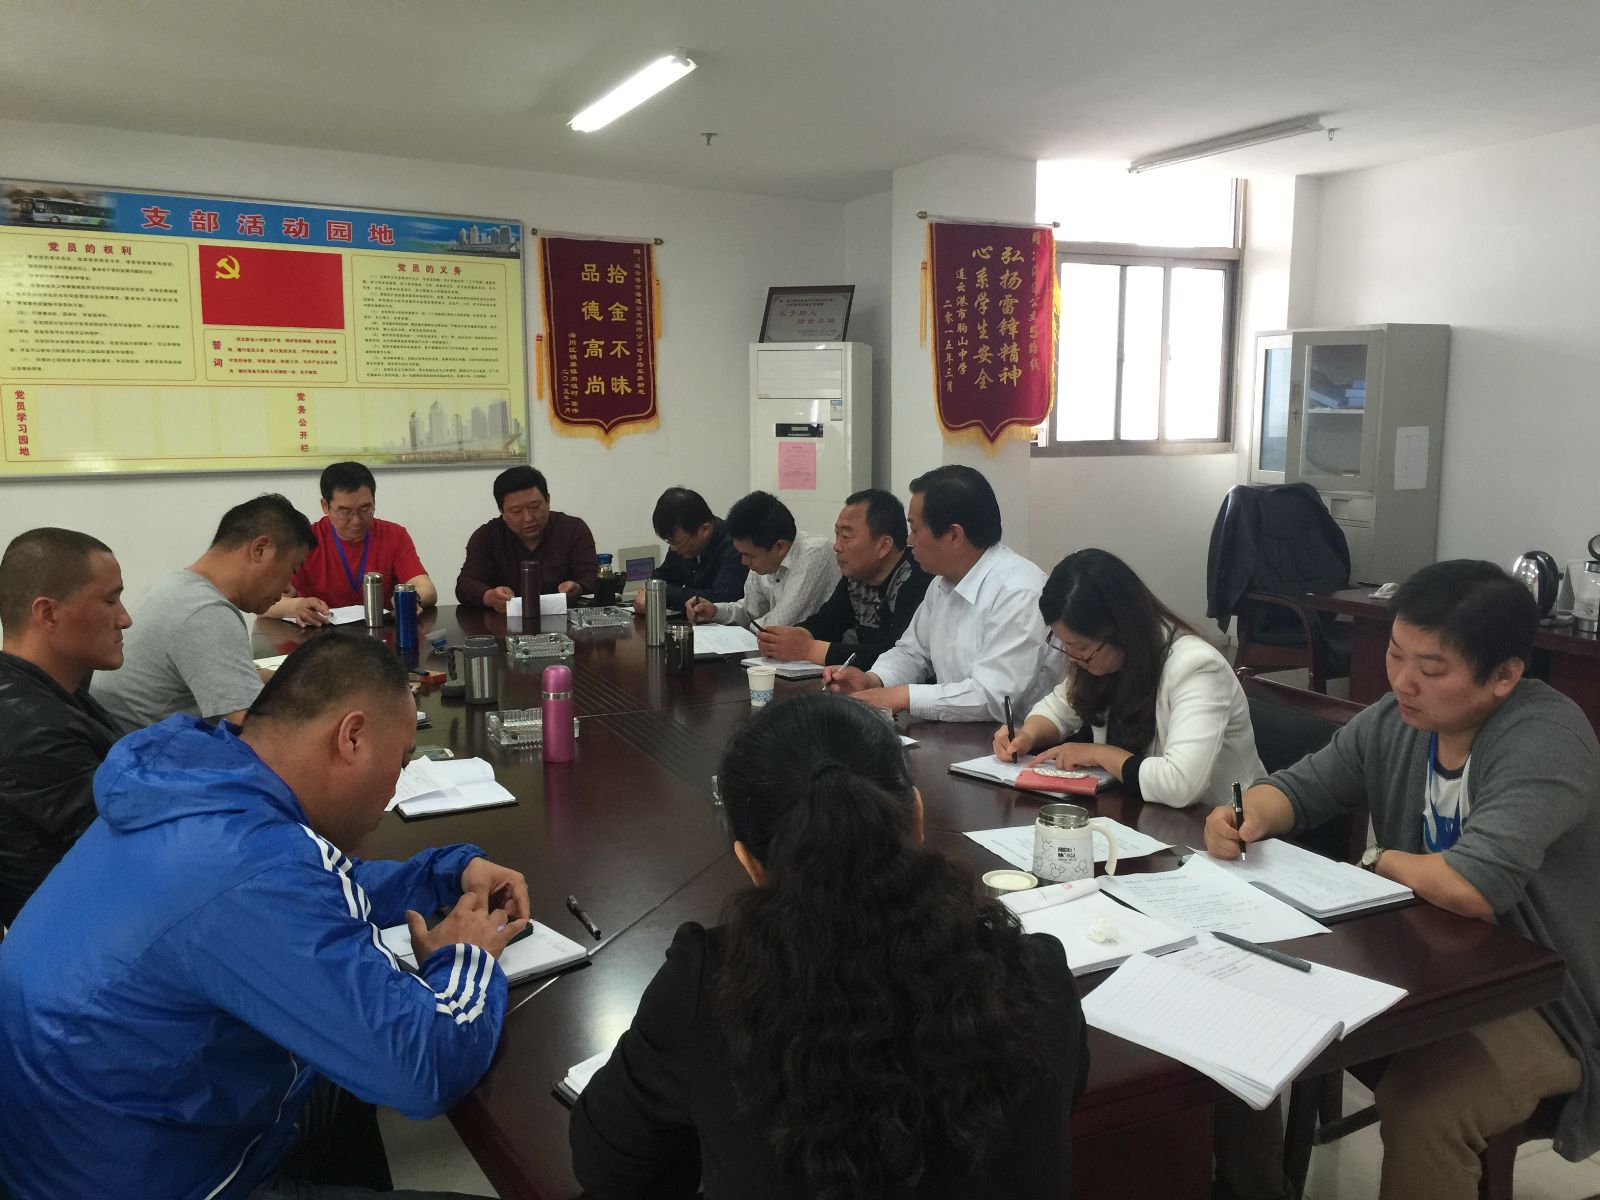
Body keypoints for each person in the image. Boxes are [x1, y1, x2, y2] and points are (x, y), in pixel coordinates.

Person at [0, 634, 529, 1199]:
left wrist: (445, 872)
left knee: (343, 1080)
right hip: (152, 1179)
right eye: (399, 762)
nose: (394, 785)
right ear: (351, 737)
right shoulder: (250, 866)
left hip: (85, 1138)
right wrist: (467, 955)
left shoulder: (199, 782)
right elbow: (428, 1069)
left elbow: (309, 892)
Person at [570, 692, 1088, 1199]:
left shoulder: (707, 991)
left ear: (750, 863)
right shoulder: (1038, 975)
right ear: (916, 817)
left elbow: (608, 1167)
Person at [1204, 560, 1600, 1200]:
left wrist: (1376, 859)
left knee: (1426, 1107)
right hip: (1424, 970)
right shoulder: (1397, 721)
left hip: (1547, 1002)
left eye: (1432, 669)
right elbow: (1300, 789)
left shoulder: (1545, 738)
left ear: (1504, 676)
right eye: (1395, 654)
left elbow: (1474, 885)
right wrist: (1245, 815)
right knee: (1240, 1018)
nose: (1402, 682)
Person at [992, 548, 1263, 808]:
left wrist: (1097, 753)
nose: (1072, 657)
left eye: (1081, 647)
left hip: (1218, 824)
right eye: (1064, 644)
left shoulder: (1197, 667)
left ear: (1120, 630)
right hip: (1142, 814)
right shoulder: (1105, 661)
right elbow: (1058, 708)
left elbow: (1181, 784)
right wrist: (1027, 735)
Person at [825, 465, 1052, 721]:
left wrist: (902, 696)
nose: (909, 541)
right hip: (962, 733)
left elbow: (993, 697)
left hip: (1021, 739)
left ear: (954, 535)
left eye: (915, 529)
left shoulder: (1018, 591)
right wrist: (873, 680)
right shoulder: (942, 582)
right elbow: (913, 652)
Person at [91, 493, 315, 734]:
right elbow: (255, 732)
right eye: (292, 569)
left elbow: (230, 674)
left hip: (123, 742)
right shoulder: (206, 611)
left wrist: (301, 676)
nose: (288, 587)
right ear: (260, 550)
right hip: (150, 752)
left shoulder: (177, 585)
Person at [0, 528, 130, 928]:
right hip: (86, 936)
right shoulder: (31, 729)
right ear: (48, 613)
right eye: (109, 601)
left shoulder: (51, 692)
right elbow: (135, 845)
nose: (125, 619)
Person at [756, 488, 932, 669]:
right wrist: (792, 636)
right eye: (836, 534)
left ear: (883, 546)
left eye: (846, 537)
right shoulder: (857, 574)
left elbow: (899, 655)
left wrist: (809, 649)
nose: (836, 546)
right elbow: (828, 621)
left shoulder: (917, 578)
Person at [265, 460, 437, 625]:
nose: (356, 521)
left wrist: (412, 599)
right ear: (325, 506)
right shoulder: (305, 541)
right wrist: (296, 606)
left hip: (381, 633)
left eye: (365, 509)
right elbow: (265, 603)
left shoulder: (394, 535)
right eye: (345, 512)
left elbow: (426, 588)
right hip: (321, 637)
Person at [684, 490, 838, 630]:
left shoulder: (814, 554)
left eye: (749, 555)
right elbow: (749, 611)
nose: (744, 562)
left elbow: (779, 625)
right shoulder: (763, 556)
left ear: (780, 547)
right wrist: (715, 611)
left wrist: (746, 629)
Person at [457, 465, 598, 610]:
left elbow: (592, 577)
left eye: (534, 507)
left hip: (565, 618)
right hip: (503, 621)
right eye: (516, 511)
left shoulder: (573, 529)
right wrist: (490, 597)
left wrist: (577, 587)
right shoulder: (487, 536)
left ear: (548, 501)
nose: (528, 518)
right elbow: (465, 585)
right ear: (502, 512)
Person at [638, 485, 747, 614]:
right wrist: (647, 592)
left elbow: (720, 599)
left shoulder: (735, 546)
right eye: (669, 542)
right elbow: (660, 577)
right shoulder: (681, 548)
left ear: (705, 529)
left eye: (677, 543)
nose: (673, 549)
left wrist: (661, 591)